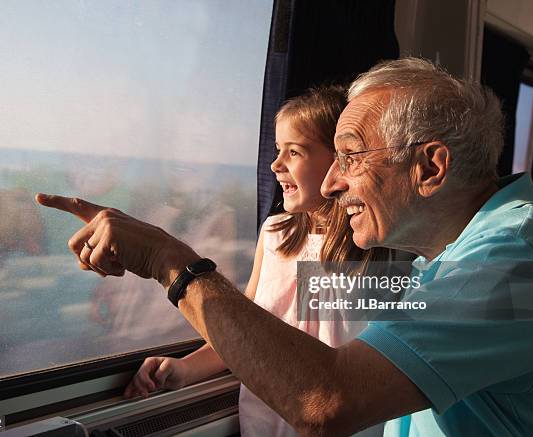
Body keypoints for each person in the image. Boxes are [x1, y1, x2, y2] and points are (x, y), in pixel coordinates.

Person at [37, 57, 533, 436]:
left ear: (430, 168)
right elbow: (285, 319)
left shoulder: (519, 268)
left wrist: (170, 262)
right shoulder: (446, 265)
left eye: (349, 157)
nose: (329, 185)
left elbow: (328, 400)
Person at [120, 85, 387, 437]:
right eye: (278, 150)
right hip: (265, 423)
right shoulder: (275, 235)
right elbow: (246, 331)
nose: (276, 165)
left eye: (294, 152)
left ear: (339, 160)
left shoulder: (371, 249)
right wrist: (184, 369)